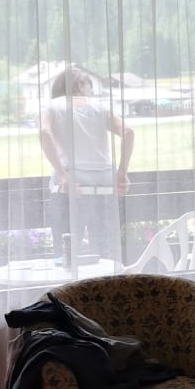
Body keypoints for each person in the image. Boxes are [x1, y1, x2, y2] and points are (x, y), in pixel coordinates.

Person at [39, 67, 134, 265]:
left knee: (67, 254)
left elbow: (45, 133)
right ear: (80, 85)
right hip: (104, 184)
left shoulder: (52, 107)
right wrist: (122, 172)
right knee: (104, 254)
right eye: (89, 85)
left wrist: (62, 174)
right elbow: (128, 132)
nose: (90, 91)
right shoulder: (100, 107)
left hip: (71, 185)